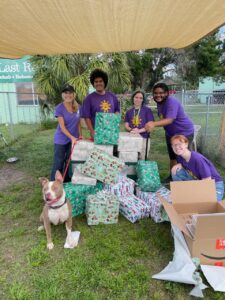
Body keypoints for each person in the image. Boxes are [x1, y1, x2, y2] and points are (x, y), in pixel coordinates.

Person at [145, 83, 194, 179]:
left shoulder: (171, 101)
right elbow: (164, 118)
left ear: (167, 93)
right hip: (170, 133)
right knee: (173, 157)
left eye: (161, 93)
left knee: (183, 157)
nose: (158, 95)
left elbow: (170, 119)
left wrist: (153, 124)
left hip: (183, 132)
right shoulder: (160, 103)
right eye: (155, 93)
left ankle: (187, 179)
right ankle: (172, 177)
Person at [171, 134, 224, 201]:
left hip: (214, 185)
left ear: (186, 144)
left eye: (180, 144)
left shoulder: (197, 158)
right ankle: (182, 192)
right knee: (176, 172)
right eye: (174, 145)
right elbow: (182, 164)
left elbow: (207, 182)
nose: (177, 147)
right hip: (199, 181)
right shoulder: (180, 156)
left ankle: (189, 194)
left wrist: (196, 193)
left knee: (207, 207)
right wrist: (178, 165)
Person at [50, 84, 82, 182]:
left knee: (69, 162)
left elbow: (78, 123)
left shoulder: (77, 107)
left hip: (73, 139)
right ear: (63, 95)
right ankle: (53, 184)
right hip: (61, 139)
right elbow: (62, 127)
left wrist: (80, 135)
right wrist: (72, 137)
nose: (68, 95)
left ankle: (66, 182)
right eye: (66, 93)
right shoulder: (59, 108)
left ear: (74, 94)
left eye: (70, 93)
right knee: (58, 162)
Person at [82, 69, 120, 139]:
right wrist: (92, 132)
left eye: (100, 81)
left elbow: (117, 110)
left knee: (110, 150)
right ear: (93, 84)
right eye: (96, 82)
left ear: (104, 82)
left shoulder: (112, 96)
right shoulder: (89, 98)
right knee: (98, 150)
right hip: (97, 133)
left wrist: (114, 121)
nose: (98, 83)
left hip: (111, 132)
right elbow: (87, 117)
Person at [124, 90, 154, 159]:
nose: (138, 99)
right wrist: (131, 129)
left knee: (142, 159)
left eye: (140, 98)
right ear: (133, 98)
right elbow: (126, 125)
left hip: (144, 138)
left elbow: (150, 125)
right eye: (136, 97)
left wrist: (138, 131)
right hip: (132, 138)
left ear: (143, 100)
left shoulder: (147, 110)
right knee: (132, 159)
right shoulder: (129, 111)